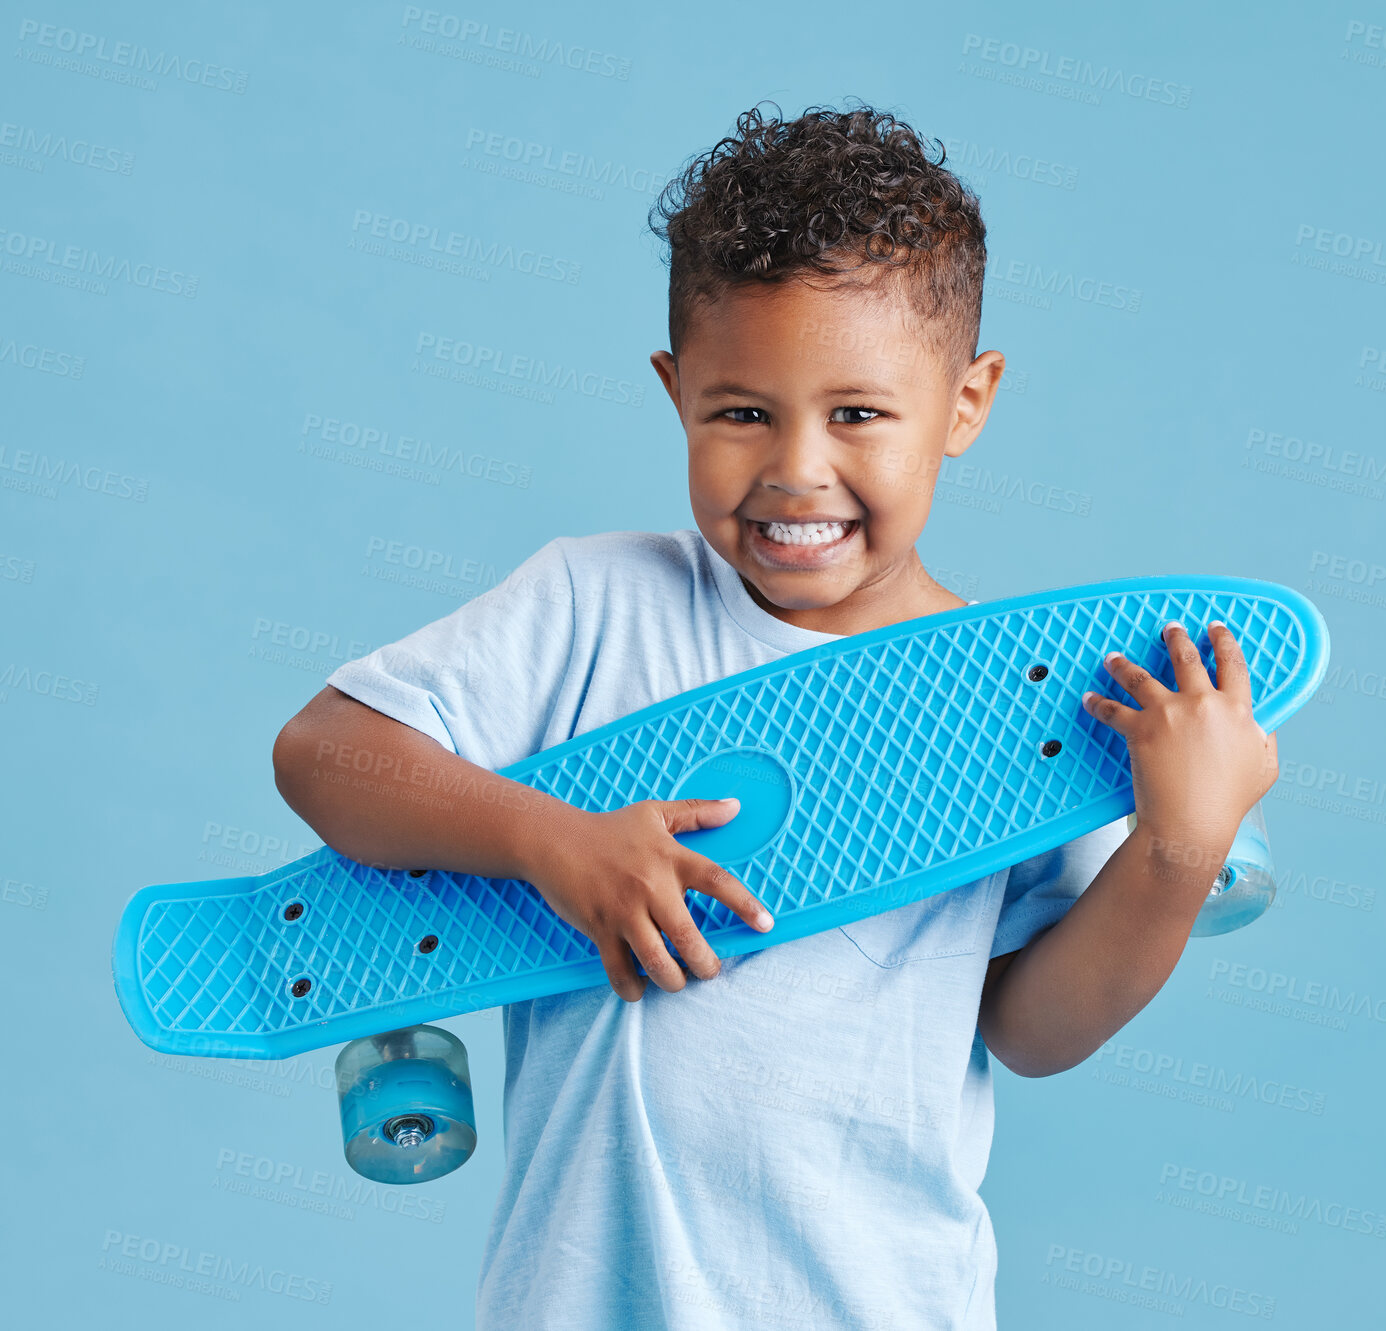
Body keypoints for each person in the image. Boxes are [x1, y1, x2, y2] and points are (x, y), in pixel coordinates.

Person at [272, 99, 1278, 1330]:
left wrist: (1177, 850)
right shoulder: (596, 605)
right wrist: (550, 839)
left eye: (857, 412)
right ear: (674, 389)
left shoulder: (1015, 691)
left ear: (965, 403)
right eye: (741, 411)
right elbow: (325, 752)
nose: (796, 467)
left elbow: (1029, 1026)